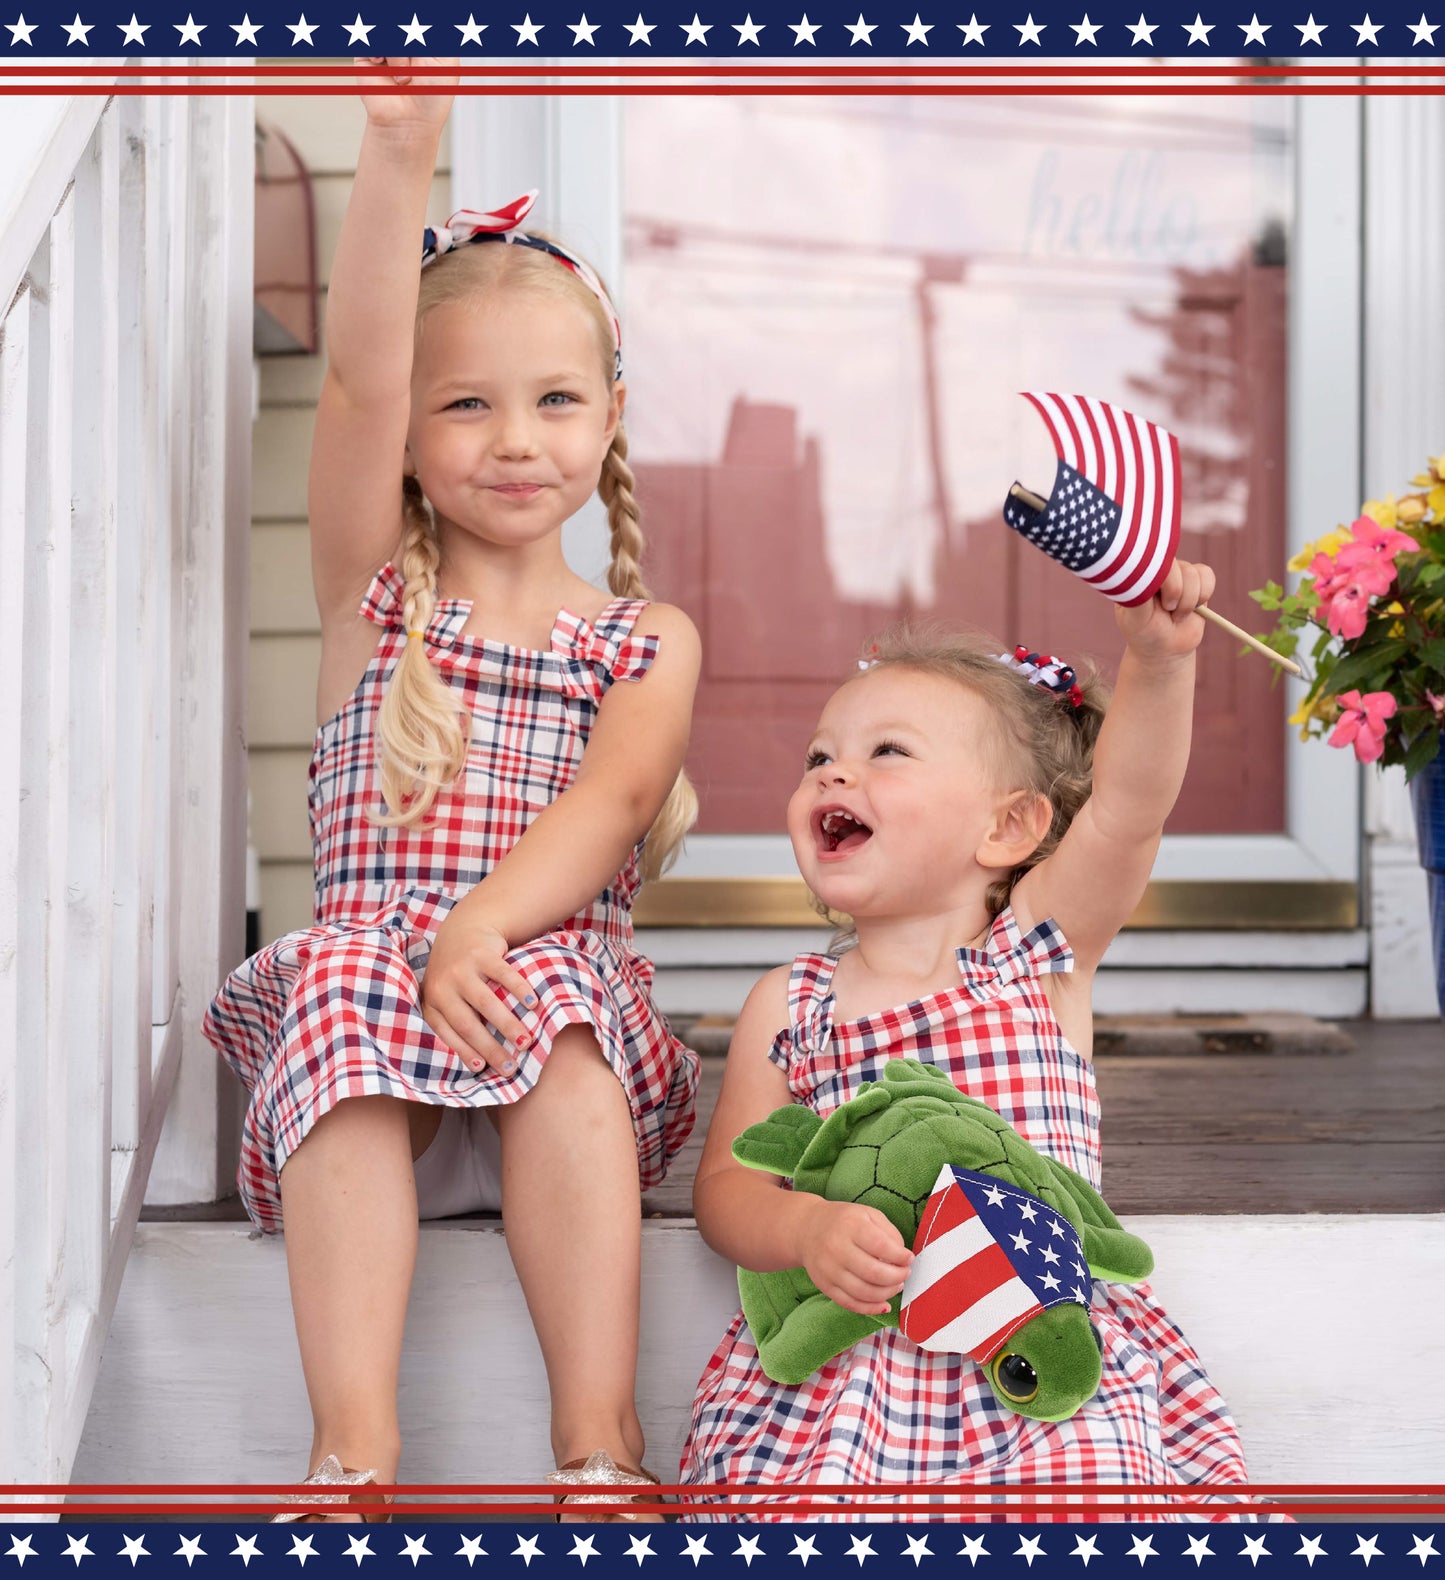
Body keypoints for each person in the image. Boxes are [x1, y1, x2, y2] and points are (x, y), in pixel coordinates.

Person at [204, 60, 700, 1523]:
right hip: (375, 1087)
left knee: (552, 998)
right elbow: (354, 370)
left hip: (550, 1059)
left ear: (609, 417)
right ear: (415, 441)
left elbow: (609, 806)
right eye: (465, 405)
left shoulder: (642, 638)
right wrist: (400, 144)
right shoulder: (374, 602)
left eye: (554, 400)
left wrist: (482, 927)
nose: (513, 438)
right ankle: (351, 1458)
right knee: (354, 976)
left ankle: (596, 1448)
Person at [681, 560, 1252, 1521]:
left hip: (1034, 1359)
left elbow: (1127, 810)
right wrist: (804, 1229)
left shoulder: (1034, 955)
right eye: (819, 757)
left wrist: (1158, 665)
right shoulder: (791, 1003)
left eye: (888, 752)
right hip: (855, 1373)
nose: (833, 771)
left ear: (1009, 827)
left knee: (1082, 1507)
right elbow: (726, 1189)